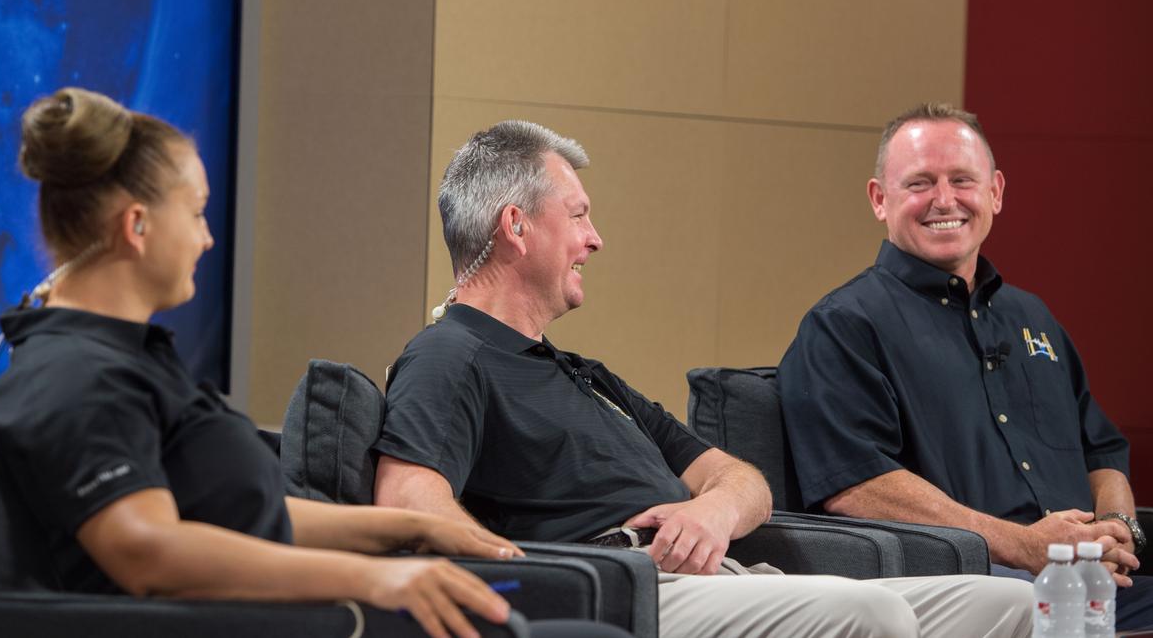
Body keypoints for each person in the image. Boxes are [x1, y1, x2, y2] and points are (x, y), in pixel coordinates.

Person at [0, 88, 631, 638]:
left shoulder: (126, 362)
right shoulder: (76, 375)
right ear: (137, 225)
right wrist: (375, 577)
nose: (207, 237)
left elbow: (256, 514)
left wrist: (413, 527)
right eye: (198, 213)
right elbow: (150, 551)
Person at [373, 119, 1034, 638]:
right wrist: (530, 575)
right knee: (874, 615)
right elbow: (407, 500)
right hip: (622, 588)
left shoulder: (587, 376)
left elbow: (742, 479)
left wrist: (711, 511)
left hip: (724, 574)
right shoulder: (449, 354)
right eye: (577, 215)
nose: (595, 238)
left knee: (1010, 604)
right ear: (516, 226)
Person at [777, 102, 1152, 631]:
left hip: (1095, 584)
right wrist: (1023, 545)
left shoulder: (1032, 317)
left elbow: (1102, 450)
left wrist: (1116, 529)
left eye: (962, 180)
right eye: (920, 183)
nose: (944, 200)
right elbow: (857, 486)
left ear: (995, 192)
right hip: (970, 586)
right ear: (880, 200)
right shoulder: (843, 325)